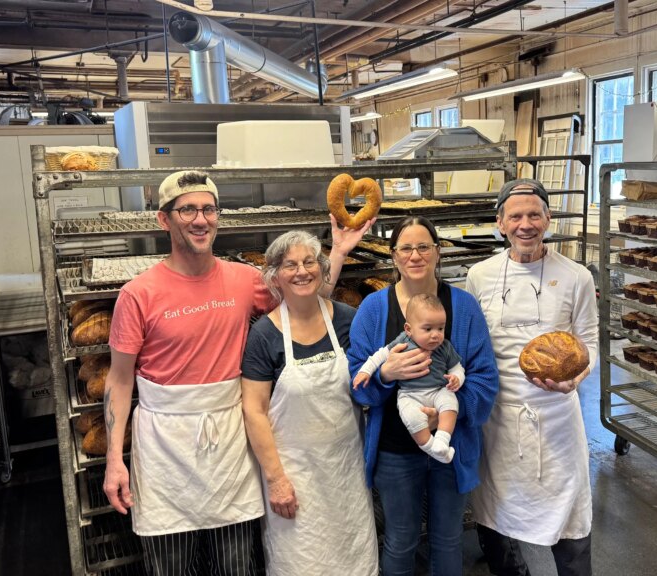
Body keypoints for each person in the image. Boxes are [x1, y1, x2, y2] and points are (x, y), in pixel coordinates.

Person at [102, 170, 370, 576]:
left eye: (208, 209)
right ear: (164, 219)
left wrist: (338, 253)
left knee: (236, 565)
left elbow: (306, 304)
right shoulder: (138, 293)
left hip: (230, 440)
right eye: (187, 209)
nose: (200, 219)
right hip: (164, 445)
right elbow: (120, 380)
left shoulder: (244, 280)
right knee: (172, 566)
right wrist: (113, 460)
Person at [347, 215, 499, 576]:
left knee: (447, 539)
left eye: (423, 246)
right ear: (394, 256)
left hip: (450, 445)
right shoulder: (373, 309)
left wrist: (450, 411)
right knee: (400, 538)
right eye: (406, 248)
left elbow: (485, 378)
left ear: (438, 251)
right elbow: (356, 380)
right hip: (395, 450)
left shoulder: (463, 307)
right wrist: (385, 374)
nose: (415, 255)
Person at [464, 178, 598, 576]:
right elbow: (474, 347)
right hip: (499, 417)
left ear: (548, 219)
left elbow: (588, 343)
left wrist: (574, 381)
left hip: (556, 416)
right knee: (496, 512)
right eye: (516, 216)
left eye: (534, 215)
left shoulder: (576, 277)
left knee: (570, 515)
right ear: (500, 223)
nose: (526, 224)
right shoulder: (480, 275)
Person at [241, 230, 378, 576]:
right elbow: (254, 411)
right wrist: (276, 480)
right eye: (290, 265)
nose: (302, 271)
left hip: (346, 471)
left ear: (321, 268)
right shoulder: (265, 335)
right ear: (275, 277)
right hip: (295, 477)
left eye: (308, 262)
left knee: (355, 559)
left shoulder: (348, 319)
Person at [353, 293, 465, 464]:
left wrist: (457, 378)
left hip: (438, 390)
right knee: (412, 417)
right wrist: (366, 372)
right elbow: (379, 355)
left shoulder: (444, 347)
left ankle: (442, 440)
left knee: (450, 403)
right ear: (408, 329)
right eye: (428, 329)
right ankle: (430, 447)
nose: (435, 335)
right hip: (410, 394)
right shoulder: (403, 341)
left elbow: (457, 367)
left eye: (440, 328)